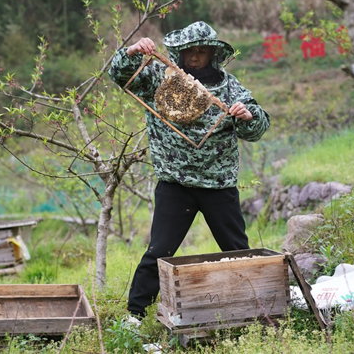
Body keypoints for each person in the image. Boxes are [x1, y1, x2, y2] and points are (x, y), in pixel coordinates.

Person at [108, 21, 270, 319]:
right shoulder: (160, 76)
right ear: (179, 52)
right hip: (175, 184)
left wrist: (248, 116)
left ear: (212, 54)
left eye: (202, 51)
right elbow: (118, 74)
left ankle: (259, 310)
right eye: (189, 51)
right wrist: (132, 51)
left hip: (219, 184)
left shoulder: (230, 86)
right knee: (159, 252)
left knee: (237, 251)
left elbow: (257, 128)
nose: (195, 57)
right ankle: (135, 316)